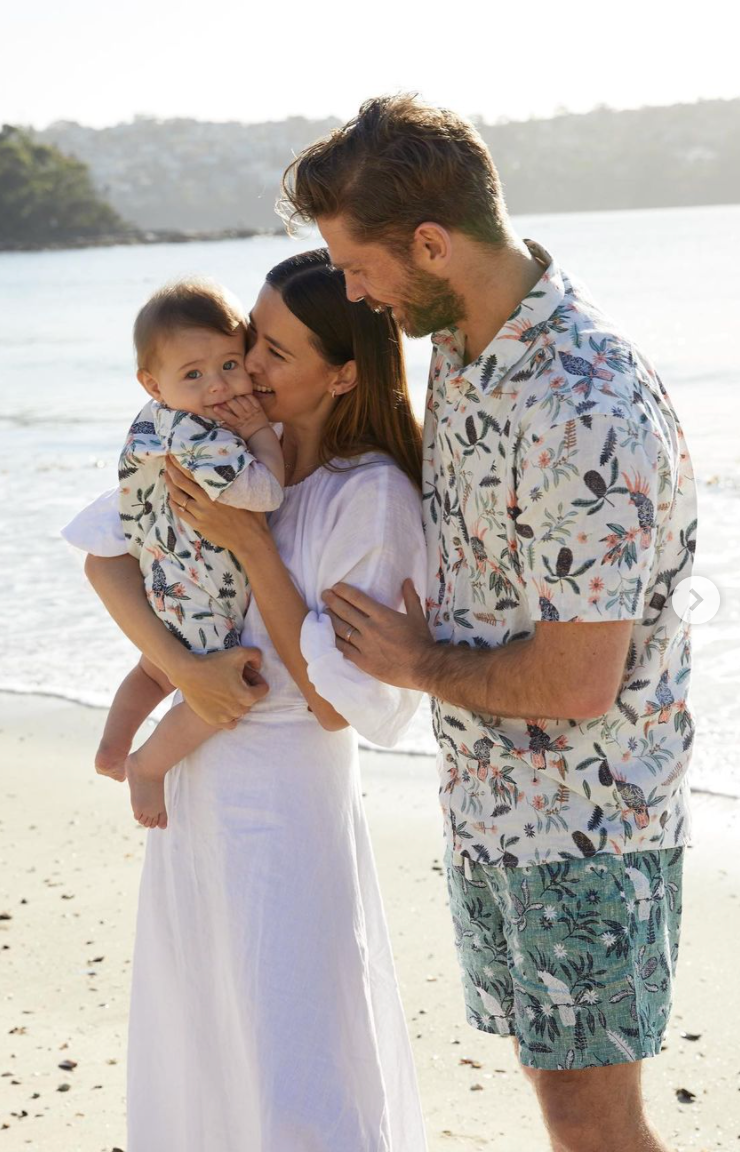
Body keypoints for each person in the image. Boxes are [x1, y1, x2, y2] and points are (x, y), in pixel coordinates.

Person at [282, 95, 697, 1152]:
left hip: (587, 825)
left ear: (430, 242)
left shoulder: (580, 402)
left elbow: (574, 683)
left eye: (357, 264)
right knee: (559, 1105)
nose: (351, 289)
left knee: (593, 1126)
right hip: (496, 809)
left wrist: (416, 661)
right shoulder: (459, 341)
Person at [65, 248, 429, 1150]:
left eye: (268, 351)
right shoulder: (216, 451)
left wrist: (253, 548)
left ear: (342, 373)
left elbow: (335, 703)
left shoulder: (368, 497)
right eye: (245, 343)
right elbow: (107, 557)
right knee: (207, 1036)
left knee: (293, 1045)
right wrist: (179, 674)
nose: (245, 370)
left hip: (286, 802)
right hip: (196, 789)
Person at [62, 278, 284, 829]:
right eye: (194, 374)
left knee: (154, 667)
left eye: (230, 365)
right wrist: (262, 434)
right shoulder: (199, 434)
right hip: (202, 583)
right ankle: (148, 763)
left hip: (160, 572)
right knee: (228, 690)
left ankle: (111, 746)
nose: (217, 387)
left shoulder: (150, 419)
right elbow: (265, 492)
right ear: (152, 382)